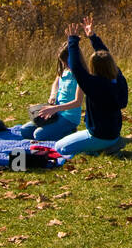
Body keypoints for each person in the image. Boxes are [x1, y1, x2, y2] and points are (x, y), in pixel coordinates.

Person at [55, 18, 128, 157]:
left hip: (98, 136)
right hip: (113, 132)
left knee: (60, 147)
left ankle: (103, 148)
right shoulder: (118, 78)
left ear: (93, 67)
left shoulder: (94, 85)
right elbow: (106, 56)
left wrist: (73, 41)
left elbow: (76, 67)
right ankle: (112, 144)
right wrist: (92, 36)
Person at [11, 43, 83, 142]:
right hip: (55, 113)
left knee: (39, 135)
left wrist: (55, 108)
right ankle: (57, 130)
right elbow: (56, 84)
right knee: (25, 131)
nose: (65, 65)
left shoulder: (81, 75)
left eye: (67, 63)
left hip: (69, 118)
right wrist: (53, 95)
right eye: (63, 63)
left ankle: (69, 131)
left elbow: (78, 102)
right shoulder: (63, 71)